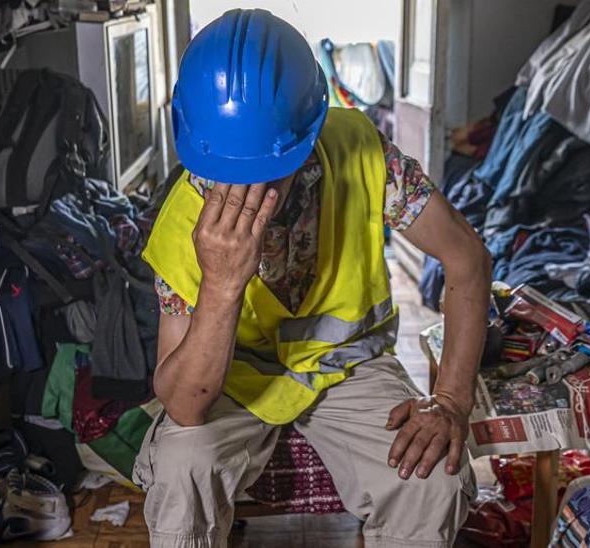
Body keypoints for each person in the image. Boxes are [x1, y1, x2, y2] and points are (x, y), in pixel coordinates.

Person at [136, 9, 492, 548]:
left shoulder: (360, 150)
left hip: (349, 367)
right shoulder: (182, 219)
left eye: (267, 169)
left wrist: (450, 401)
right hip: (236, 378)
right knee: (181, 466)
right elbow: (186, 404)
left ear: (308, 134)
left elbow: (467, 261)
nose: (246, 190)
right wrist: (222, 284)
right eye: (227, 169)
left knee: (431, 481)